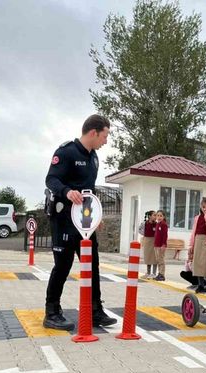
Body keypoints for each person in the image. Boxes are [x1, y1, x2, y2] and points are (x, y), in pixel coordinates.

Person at [43, 114, 116, 330]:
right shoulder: (66, 152)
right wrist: (66, 192)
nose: (106, 141)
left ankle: (94, 310)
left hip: (85, 222)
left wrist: (96, 216)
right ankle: (52, 312)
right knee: (63, 266)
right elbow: (51, 179)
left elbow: (89, 192)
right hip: (64, 219)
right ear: (93, 132)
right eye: (105, 135)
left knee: (92, 264)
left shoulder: (94, 157)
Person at [188, 197, 206, 293]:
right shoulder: (197, 218)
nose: (205, 209)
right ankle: (200, 284)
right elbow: (194, 232)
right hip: (197, 240)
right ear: (200, 206)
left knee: (205, 264)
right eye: (203, 207)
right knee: (197, 264)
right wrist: (191, 245)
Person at [139, 211, 157, 279]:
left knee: (155, 257)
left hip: (154, 241)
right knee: (148, 257)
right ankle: (148, 272)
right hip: (147, 240)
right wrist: (144, 234)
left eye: (156, 215)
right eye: (154, 215)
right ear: (149, 216)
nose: (155, 217)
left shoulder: (156, 224)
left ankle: (154, 273)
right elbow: (139, 229)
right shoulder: (144, 223)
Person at [153, 210, 168, 281]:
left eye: (161, 216)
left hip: (161, 246)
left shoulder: (163, 224)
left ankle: (162, 275)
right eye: (158, 215)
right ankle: (159, 273)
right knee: (158, 260)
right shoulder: (158, 224)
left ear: (163, 217)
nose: (159, 217)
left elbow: (165, 235)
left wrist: (164, 244)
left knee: (161, 260)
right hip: (156, 245)